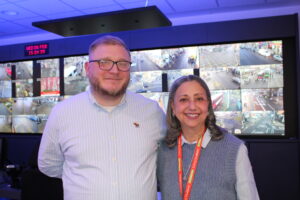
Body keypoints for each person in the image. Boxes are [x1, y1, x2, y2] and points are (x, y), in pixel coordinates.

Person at [38, 35, 166, 200]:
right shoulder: (62, 113)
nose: (114, 70)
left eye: (123, 63)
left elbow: (166, 161)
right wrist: (81, 179)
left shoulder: (152, 111)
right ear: (87, 68)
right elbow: (49, 164)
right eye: (104, 62)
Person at [157, 75, 259, 200]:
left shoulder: (234, 150)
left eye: (199, 99)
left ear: (208, 105)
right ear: (173, 106)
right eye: (184, 100)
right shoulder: (163, 149)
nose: (192, 106)